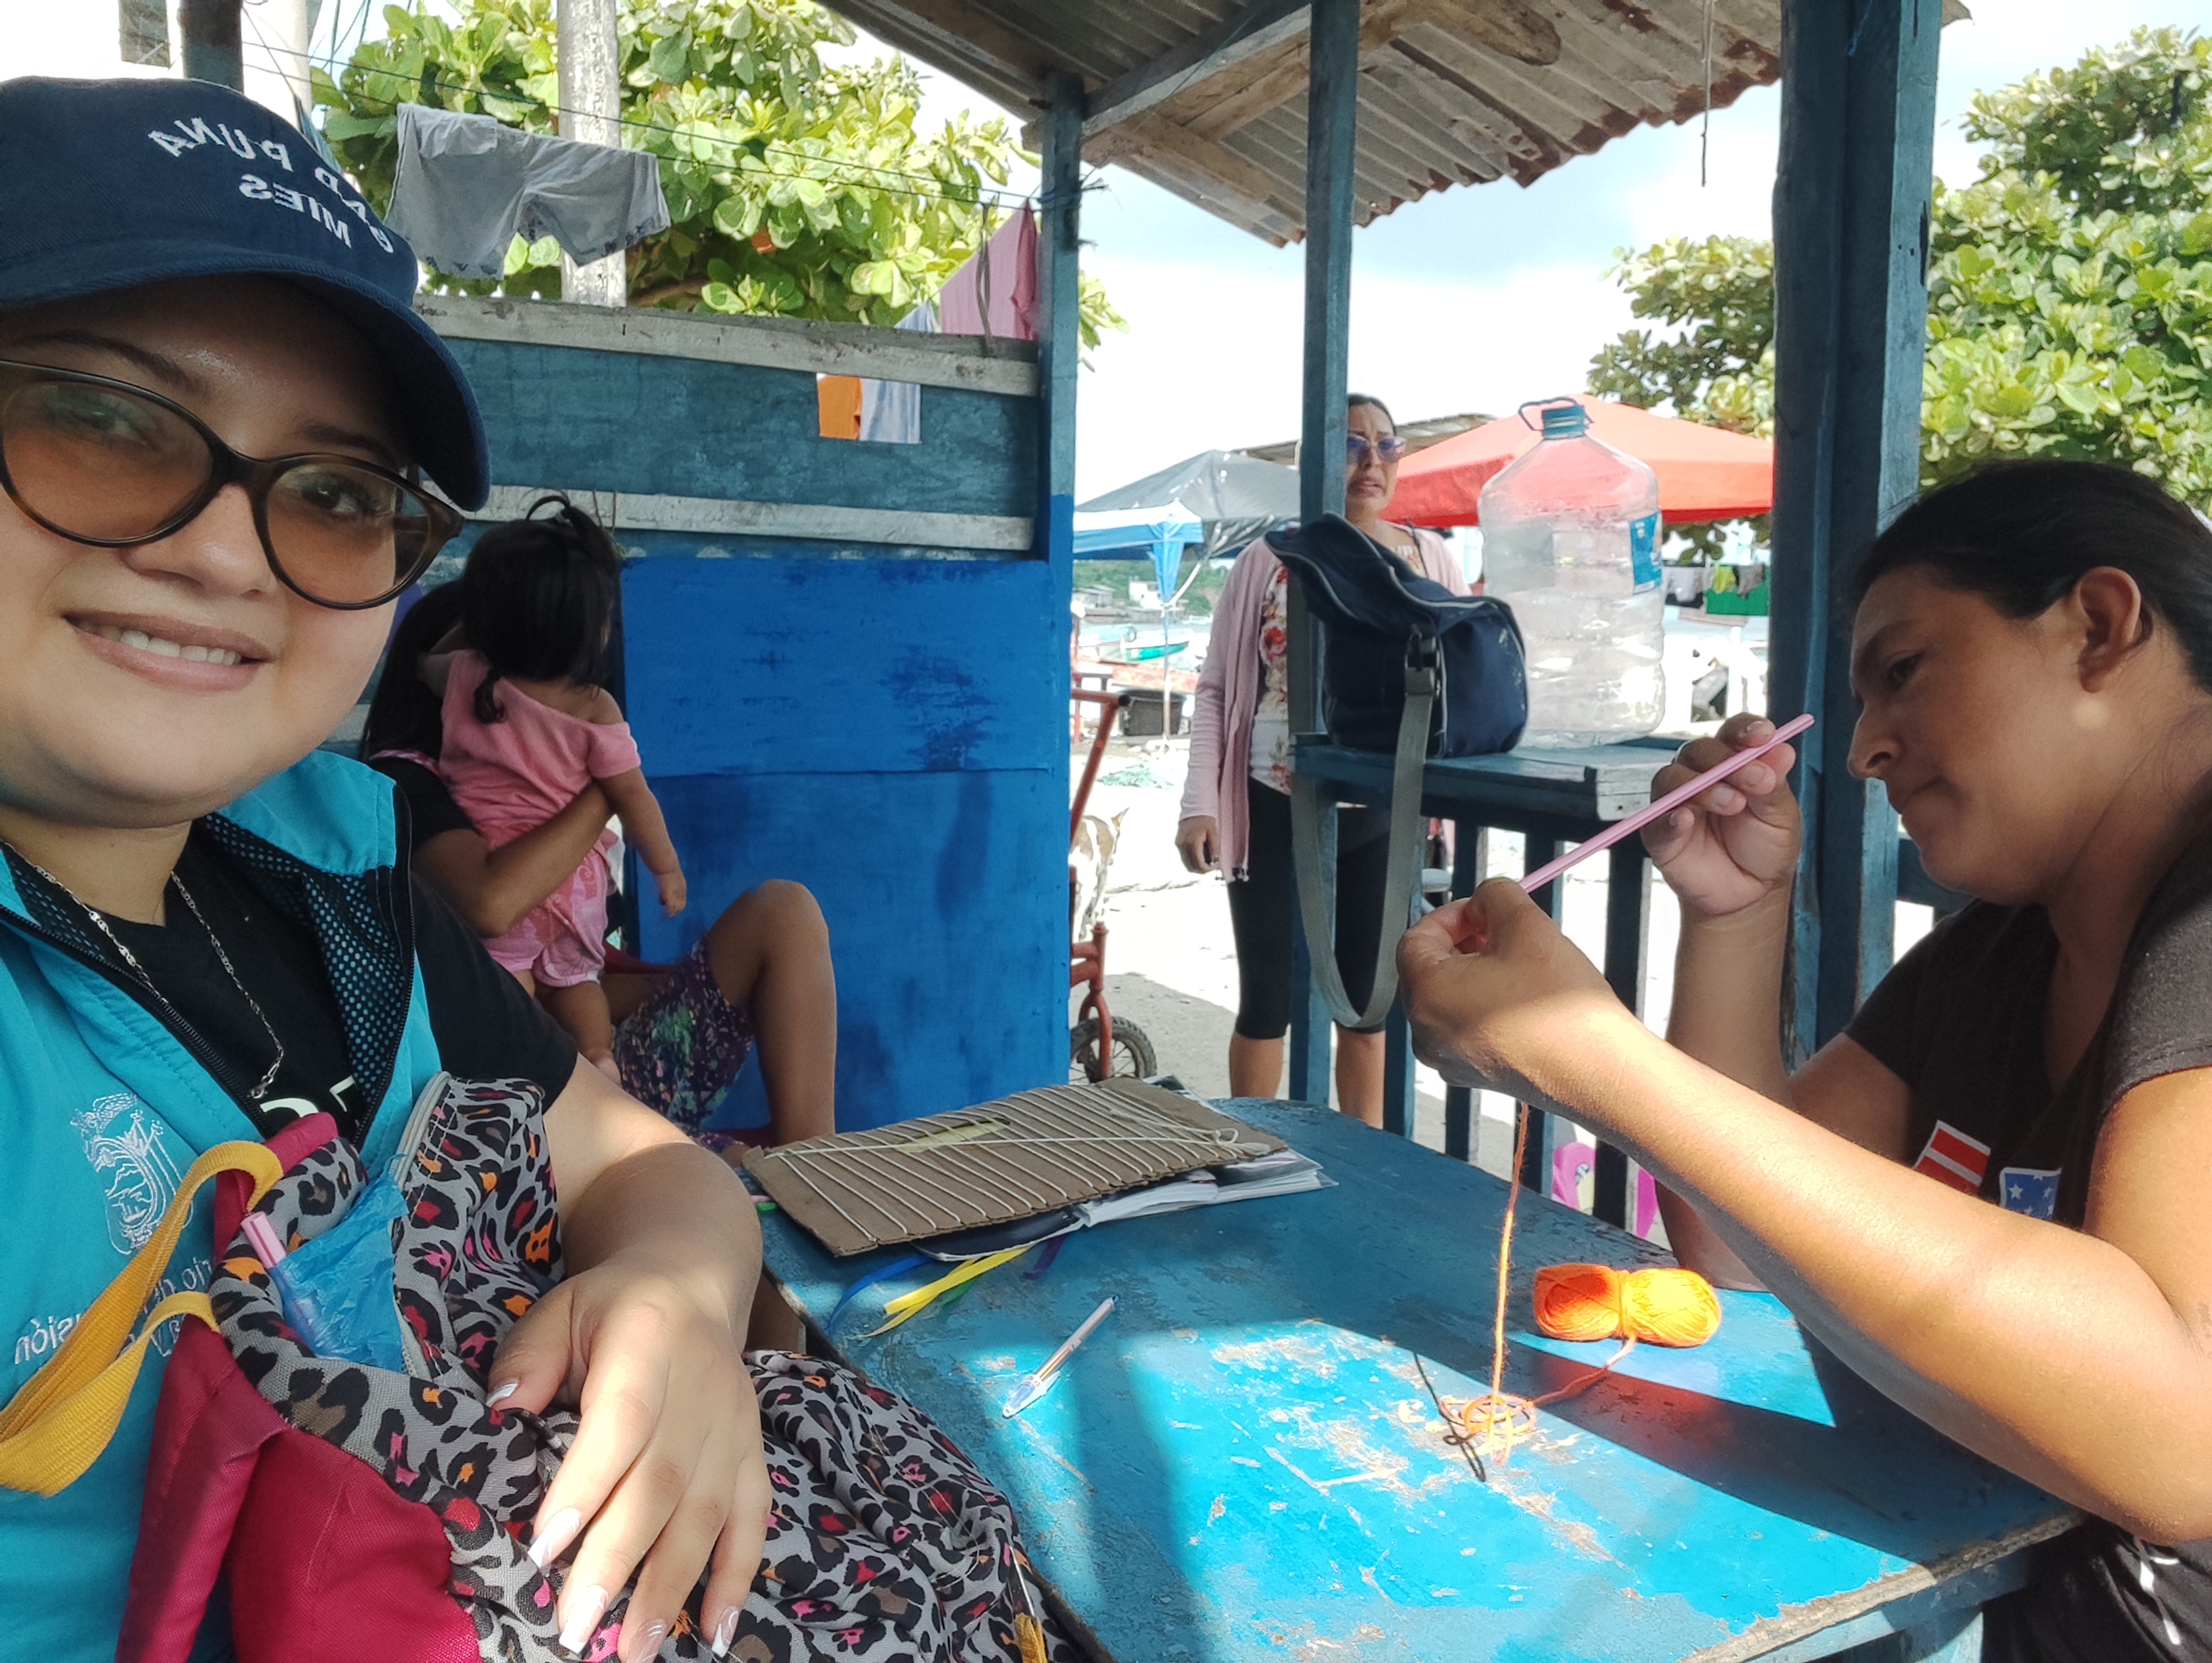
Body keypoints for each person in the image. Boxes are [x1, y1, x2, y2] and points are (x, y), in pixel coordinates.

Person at [0, 78, 764, 1662]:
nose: (223, 551)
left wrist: (679, 1294)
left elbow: (639, 1157)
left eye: (340, 493)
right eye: (101, 418)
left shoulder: (337, 876)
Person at [1398, 460, 2212, 1661]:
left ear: (2095, 626)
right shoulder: (1999, 953)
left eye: (1904, 669)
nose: (1866, 751)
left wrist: (1595, 1060)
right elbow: (1736, 1245)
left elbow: (2179, 1431)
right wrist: (1733, 916)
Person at [362, 579, 838, 1151]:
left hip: (605, 1054)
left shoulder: (545, 783)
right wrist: (608, 787)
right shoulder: (403, 781)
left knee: (784, 911)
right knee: (722, 1164)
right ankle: (714, 1163)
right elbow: (492, 905)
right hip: (532, 1102)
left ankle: (815, 1160)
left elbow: (568, 973)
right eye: (510, 666)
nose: (539, 692)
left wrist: (688, 987)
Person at [1177, 395, 1469, 1124]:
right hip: (1273, 796)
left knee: (1368, 1007)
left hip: (1388, 804)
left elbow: (1466, 685)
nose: (1371, 461)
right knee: (1266, 999)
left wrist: (1452, 801)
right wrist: (1199, 805)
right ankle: (1250, 1151)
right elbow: (1217, 690)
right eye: (1349, 444)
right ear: (1312, 463)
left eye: (1386, 445)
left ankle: (1359, 1160)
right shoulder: (1269, 559)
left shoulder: (1431, 558)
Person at [424, 498, 686, 1079]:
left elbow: (425, 662)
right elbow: (633, 796)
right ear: (589, 629)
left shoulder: (466, 676)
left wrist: (485, 620)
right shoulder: (594, 708)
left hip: (503, 869)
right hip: (573, 887)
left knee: (509, 983)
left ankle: (524, 1075)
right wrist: (665, 867)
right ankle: (598, 1057)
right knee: (577, 981)